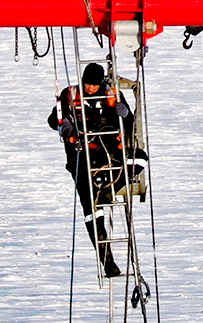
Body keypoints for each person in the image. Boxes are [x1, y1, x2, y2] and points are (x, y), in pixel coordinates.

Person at [48, 61, 143, 278]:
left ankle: (110, 187)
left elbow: (128, 124)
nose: (90, 89)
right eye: (87, 84)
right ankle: (106, 260)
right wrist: (64, 125)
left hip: (109, 154)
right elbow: (53, 119)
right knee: (90, 209)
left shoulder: (112, 95)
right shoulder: (69, 95)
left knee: (140, 160)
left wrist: (125, 113)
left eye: (94, 85)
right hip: (82, 156)